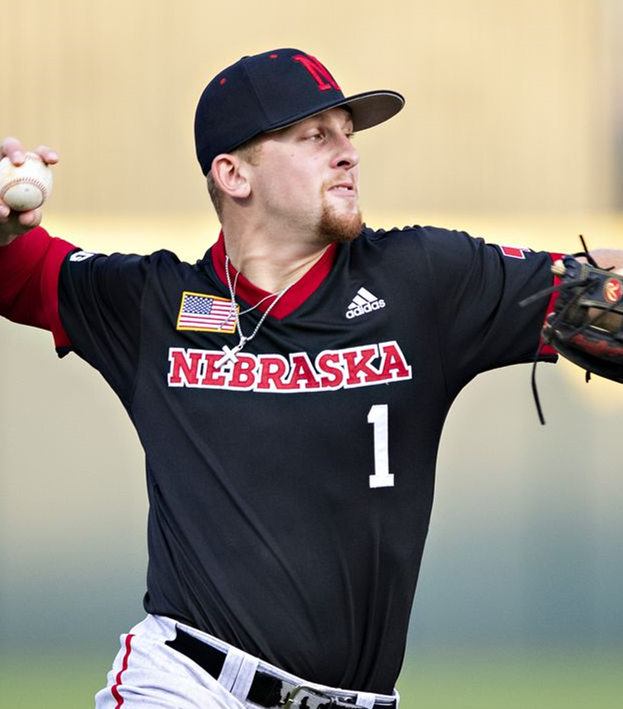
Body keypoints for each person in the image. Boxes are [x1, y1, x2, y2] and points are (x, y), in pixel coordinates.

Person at [1, 48, 622, 709]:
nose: (347, 152)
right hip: (186, 683)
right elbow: (22, 274)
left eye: (348, 134)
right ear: (233, 174)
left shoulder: (421, 280)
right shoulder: (150, 303)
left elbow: (589, 282)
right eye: (314, 135)